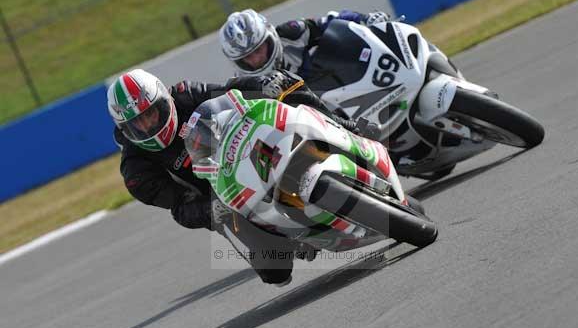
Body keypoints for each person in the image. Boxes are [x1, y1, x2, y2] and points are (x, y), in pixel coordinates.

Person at [107, 68, 376, 286]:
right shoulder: (136, 171)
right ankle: (292, 238)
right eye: (138, 123)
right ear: (124, 128)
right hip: (223, 199)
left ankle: (347, 129)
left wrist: (264, 83)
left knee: (288, 85)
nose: (148, 125)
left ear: (164, 99)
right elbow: (179, 209)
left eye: (151, 114)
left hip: (246, 152)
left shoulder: (186, 94)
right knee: (275, 272)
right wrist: (210, 210)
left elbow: (230, 89)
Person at [219, 8, 391, 77]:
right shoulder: (242, 86)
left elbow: (333, 21)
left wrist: (365, 19)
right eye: (247, 57)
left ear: (269, 37)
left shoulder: (291, 33)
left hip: (330, 94)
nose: (256, 59)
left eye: (258, 50)